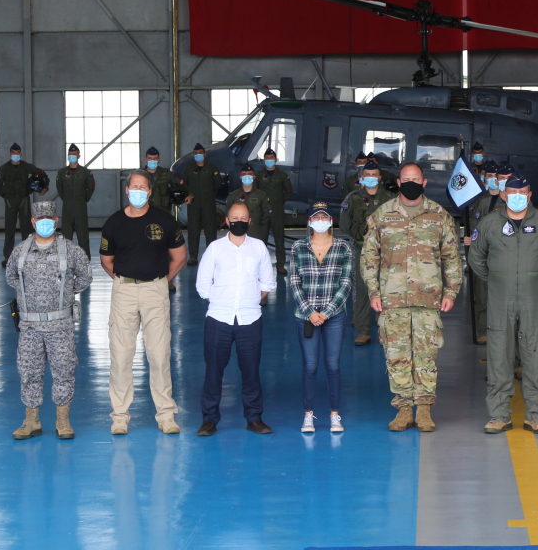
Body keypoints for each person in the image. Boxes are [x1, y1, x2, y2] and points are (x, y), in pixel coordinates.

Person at [363, 162, 464, 432]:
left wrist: (451, 291)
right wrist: (373, 291)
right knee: (396, 355)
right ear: (398, 183)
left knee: (426, 355)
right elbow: (370, 256)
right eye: (405, 179)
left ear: (424, 182)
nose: (410, 183)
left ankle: (425, 410)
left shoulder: (439, 215)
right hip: (391, 298)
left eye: (415, 179)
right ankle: (404, 409)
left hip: (428, 299)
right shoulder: (382, 215)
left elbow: (451, 256)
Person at [469, 174, 538, 435]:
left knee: (535, 354)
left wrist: (533, 277)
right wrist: (498, 280)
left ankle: (536, 414)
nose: (518, 197)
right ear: (504, 194)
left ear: (530, 195)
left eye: (523, 192)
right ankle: (499, 415)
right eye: (512, 192)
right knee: (499, 354)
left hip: (533, 299)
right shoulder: (488, 223)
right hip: (500, 299)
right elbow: (475, 257)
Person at [100, 171, 188, 435]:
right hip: (124, 292)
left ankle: (166, 415)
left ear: (149, 192)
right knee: (121, 355)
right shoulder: (114, 223)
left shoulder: (164, 220)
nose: (138, 191)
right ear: (127, 191)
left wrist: (160, 281)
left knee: (160, 354)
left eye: (143, 187)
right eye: (134, 187)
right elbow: (107, 261)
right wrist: (125, 280)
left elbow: (179, 257)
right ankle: (119, 416)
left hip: (155, 290)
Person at [7, 201, 92, 441]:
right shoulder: (21, 250)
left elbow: (85, 277)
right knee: (29, 371)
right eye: (40, 219)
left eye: (49, 218)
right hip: (30, 326)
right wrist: (31, 294)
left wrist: (64, 294)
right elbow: (11, 276)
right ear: (33, 222)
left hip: (60, 325)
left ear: (56, 220)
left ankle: (62, 419)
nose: (45, 222)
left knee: (64, 370)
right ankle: (31, 419)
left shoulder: (71, 250)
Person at [196, 202, 276, 436]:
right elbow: (203, 284)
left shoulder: (259, 247)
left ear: (249, 221)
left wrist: (248, 301)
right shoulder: (215, 248)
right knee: (213, 372)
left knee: (251, 371)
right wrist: (222, 301)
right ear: (227, 221)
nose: (239, 221)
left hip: (250, 319)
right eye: (234, 218)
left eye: (244, 218)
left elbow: (267, 283)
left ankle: (254, 418)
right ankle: (209, 419)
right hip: (218, 319)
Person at [288, 202, 354, 434]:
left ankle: (335, 415)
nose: (320, 221)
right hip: (306, 316)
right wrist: (310, 312)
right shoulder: (298, 247)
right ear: (309, 222)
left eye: (324, 217)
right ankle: (308, 415)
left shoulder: (343, 248)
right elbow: (294, 282)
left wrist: (326, 312)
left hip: (334, 316)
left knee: (333, 365)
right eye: (316, 217)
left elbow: (346, 283)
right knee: (310, 366)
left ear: (331, 221)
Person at [339, 158, 394, 346]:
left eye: (374, 175)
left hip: (385, 252)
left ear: (380, 178)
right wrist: (358, 234)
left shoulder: (390, 199)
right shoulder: (353, 198)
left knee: (386, 289)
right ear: (362, 178)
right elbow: (344, 223)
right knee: (362, 291)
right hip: (362, 251)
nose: (371, 178)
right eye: (367, 175)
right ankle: (363, 331)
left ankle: (385, 327)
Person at [463, 161, 505, 345]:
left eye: (496, 177)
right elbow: (473, 226)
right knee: (480, 294)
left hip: (502, 254)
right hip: (481, 253)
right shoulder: (477, 200)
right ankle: (482, 329)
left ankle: (502, 329)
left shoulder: (508, 200)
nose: (493, 180)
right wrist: (470, 241)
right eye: (489, 176)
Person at [0, 142, 47, 266]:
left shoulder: (26, 167)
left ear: (21, 154)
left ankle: (28, 255)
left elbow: (41, 173)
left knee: (27, 229)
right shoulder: (4, 169)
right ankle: (8, 257)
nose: (16, 155)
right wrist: (6, 196)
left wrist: (44, 187)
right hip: (10, 202)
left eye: (18, 153)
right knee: (9, 229)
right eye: (13, 153)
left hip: (24, 200)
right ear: (10, 154)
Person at [182, 143, 221, 264]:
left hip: (208, 203)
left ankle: (211, 256)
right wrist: (189, 194)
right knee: (193, 230)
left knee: (210, 230)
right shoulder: (189, 168)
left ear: (205, 154)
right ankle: (193, 256)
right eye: (196, 153)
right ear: (193, 155)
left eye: (200, 153)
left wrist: (209, 194)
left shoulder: (212, 168)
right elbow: (184, 184)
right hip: (193, 204)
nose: (198, 155)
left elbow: (217, 184)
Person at [55, 143, 96, 258]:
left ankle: (85, 259)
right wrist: (67, 199)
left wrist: (84, 199)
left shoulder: (85, 172)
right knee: (66, 236)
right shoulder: (62, 172)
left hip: (80, 206)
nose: (71, 156)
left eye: (74, 154)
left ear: (79, 156)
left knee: (83, 235)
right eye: (70, 154)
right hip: (67, 206)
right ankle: (65, 259)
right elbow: (59, 188)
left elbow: (91, 187)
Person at [258, 147, 293, 273]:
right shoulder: (259, 175)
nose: (269, 160)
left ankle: (280, 265)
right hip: (263, 211)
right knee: (261, 240)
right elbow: (255, 192)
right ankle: (261, 266)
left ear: (276, 160)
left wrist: (279, 202)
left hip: (277, 211)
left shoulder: (282, 175)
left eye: (271, 158)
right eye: (267, 158)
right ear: (263, 160)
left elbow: (288, 190)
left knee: (279, 239)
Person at [225, 163, 270, 241]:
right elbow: (228, 213)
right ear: (240, 177)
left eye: (249, 174)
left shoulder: (262, 196)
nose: (247, 176)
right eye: (244, 174)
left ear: (254, 177)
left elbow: (266, 215)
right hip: (238, 231)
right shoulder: (233, 196)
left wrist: (259, 228)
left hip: (256, 232)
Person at [144, 147, 173, 211]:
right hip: (146, 210)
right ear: (146, 160)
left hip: (163, 210)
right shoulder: (140, 174)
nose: (152, 160)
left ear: (159, 160)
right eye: (150, 158)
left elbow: (180, 183)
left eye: (155, 158)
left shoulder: (166, 173)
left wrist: (189, 195)